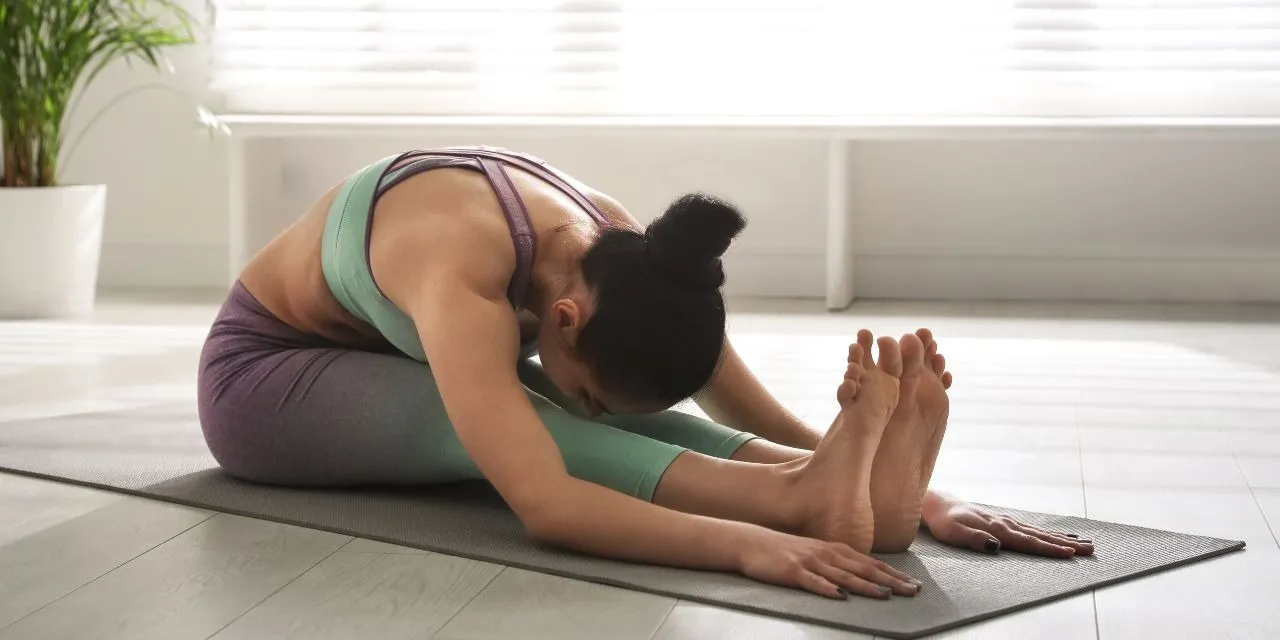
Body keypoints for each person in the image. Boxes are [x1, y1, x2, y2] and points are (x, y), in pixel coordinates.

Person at [198, 146, 1093, 601]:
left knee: (596, 413)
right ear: (563, 319)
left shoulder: (626, 256)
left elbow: (719, 390)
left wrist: (903, 492)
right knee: (540, 424)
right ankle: (795, 504)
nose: (589, 388)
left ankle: (828, 490)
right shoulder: (458, 268)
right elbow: (544, 503)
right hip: (267, 380)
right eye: (584, 370)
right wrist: (754, 547)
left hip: (381, 361)